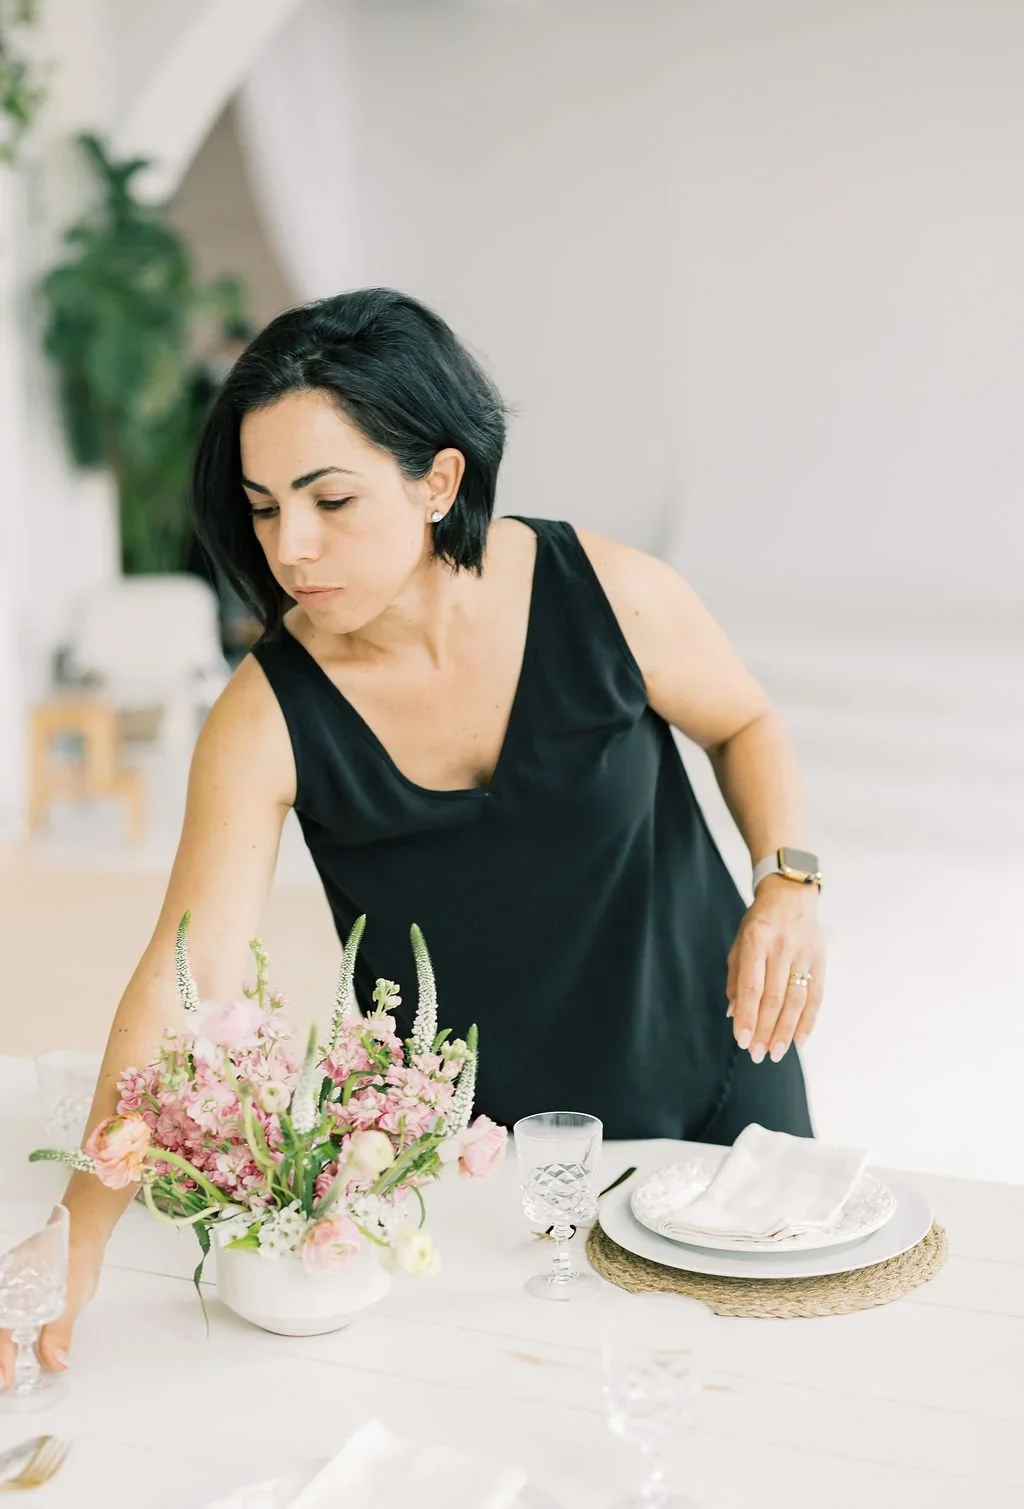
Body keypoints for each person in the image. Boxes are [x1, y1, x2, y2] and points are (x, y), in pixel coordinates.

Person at [1, 288, 824, 1384]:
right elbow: (181, 981)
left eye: (330, 499)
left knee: (774, 1387)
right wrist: (80, 1231)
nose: (290, 547)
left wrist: (786, 883)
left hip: (717, 1075)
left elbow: (744, 721)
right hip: (469, 1160)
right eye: (262, 508)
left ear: (438, 481)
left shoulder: (609, 593)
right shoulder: (264, 717)